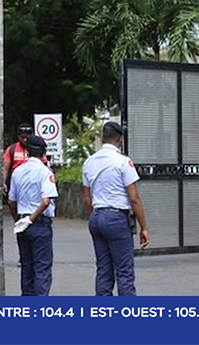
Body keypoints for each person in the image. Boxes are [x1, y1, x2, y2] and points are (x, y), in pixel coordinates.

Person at [82, 121, 150, 296]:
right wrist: (144, 227)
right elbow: (134, 198)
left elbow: (87, 199)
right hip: (116, 218)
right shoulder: (123, 162)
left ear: (102, 138)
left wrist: (96, 216)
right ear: (121, 139)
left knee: (103, 269)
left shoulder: (89, 162)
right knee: (124, 271)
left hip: (96, 217)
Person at [8, 135, 58, 296]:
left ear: (27, 152)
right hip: (39, 223)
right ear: (43, 153)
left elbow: (11, 201)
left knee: (27, 267)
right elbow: (46, 201)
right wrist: (31, 219)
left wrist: (19, 220)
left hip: (22, 222)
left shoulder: (17, 172)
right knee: (42, 268)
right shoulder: (45, 172)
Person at [2, 123, 34, 200]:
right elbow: (6, 168)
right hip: (17, 182)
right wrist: (3, 182)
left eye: (27, 137)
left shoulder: (35, 149)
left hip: (32, 182)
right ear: (18, 137)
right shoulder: (11, 149)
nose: (25, 140)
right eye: (23, 137)